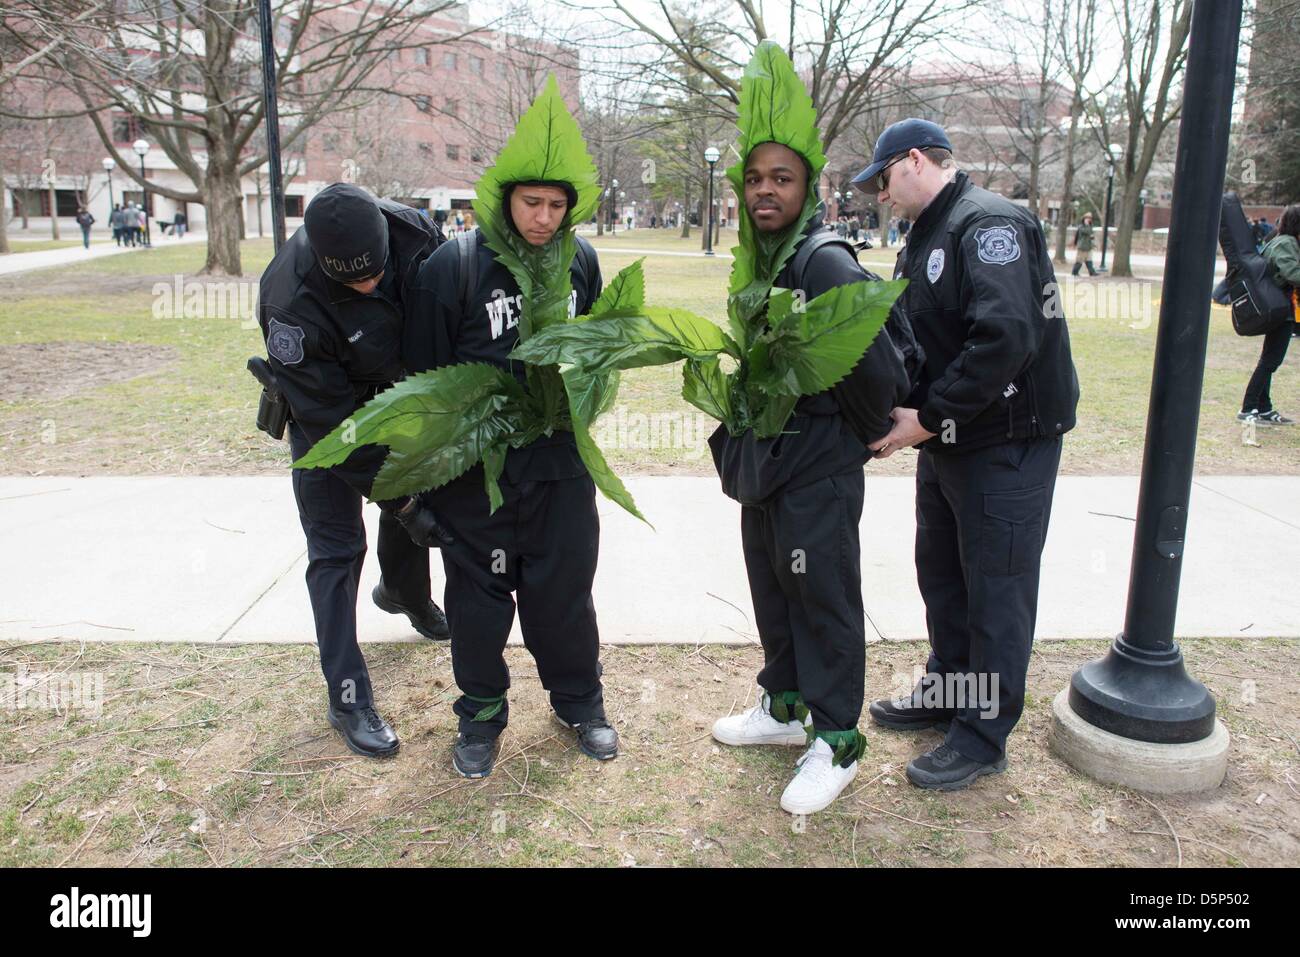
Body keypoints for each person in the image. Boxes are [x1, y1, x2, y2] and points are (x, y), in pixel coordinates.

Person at [706, 49, 914, 816]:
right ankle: (784, 706)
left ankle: (837, 739)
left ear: (809, 189)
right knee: (774, 587)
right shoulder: (766, 261)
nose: (766, 189)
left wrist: (855, 440)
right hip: (768, 464)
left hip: (815, 465)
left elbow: (878, 371)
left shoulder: (823, 263)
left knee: (822, 595)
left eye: (781, 179)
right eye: (755, 178)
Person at [854, 118, 1079, 791]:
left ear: (916, 160)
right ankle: (949, 688)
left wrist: (926, 417)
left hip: (1006, 438)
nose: (883, 196)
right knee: (944, 574)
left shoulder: (988, 224)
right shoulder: (928, 231)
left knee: (995, 590)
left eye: (885, 179)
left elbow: (1005, 337)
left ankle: (981, 734)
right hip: (953, 437)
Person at [403, 104, 618, 780]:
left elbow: (597, 354)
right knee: (478, 601)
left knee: (564, 593)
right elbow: (424, 381)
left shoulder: (580, 260)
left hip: (559, 468)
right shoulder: (455, 266)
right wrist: (425, 483)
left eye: (557, 204)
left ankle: (579, 700)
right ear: (505, 198)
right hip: (478, 474)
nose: (545, 217)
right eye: (533, 202)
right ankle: (481, 714)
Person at [258, 183, 450, 758]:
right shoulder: (288, 301)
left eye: (375, 273)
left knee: (412, 490)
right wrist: (405, 503)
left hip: (398, 388)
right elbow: (334, 431)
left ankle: (405, 594)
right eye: (351, 280)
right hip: (326, 421)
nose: (368, 285)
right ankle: (347, 698)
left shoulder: (415, 232)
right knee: (337, 550)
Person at [1238, 203, 1299, 425]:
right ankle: (1247, 408)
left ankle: (1264, 408)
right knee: (1270, 361)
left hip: (1280, 308)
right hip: (1279, 309)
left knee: (1270, 359)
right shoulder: (1286, 243)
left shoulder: (1283, 240)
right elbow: (1292, 273)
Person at [1072, 212, 1098, 276]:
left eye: (1090, 218)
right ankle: (1075, 272)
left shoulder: (1090, 226)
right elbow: (1086, 232)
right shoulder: (1081, 227)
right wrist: (1087, 225)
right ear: (1084, 219)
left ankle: (1092, 272)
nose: (1089, 219)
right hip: (1082, 246)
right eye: (1087, 218)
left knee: (1089, 260)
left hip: (1088, 246)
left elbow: (1091, 234)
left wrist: (1093, 240)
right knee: (1079, 260)